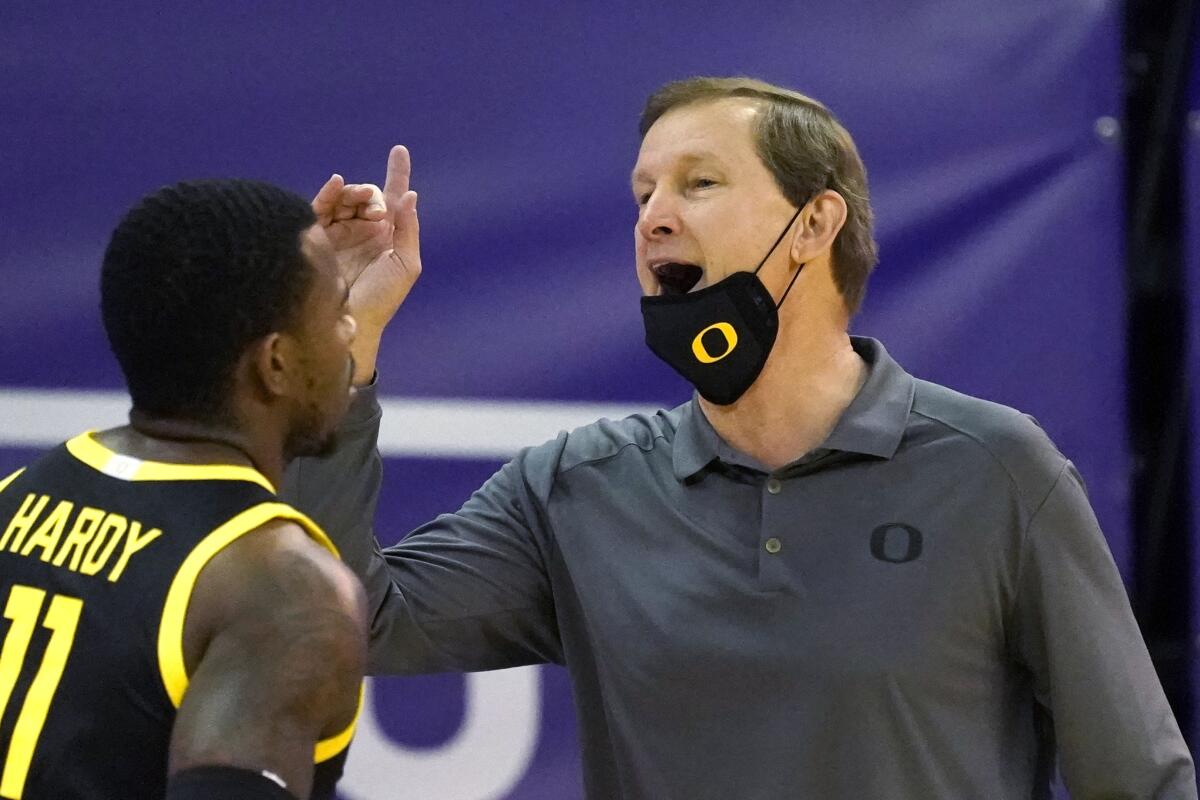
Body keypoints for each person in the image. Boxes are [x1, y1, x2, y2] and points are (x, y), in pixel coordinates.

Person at [299, 79, 1197, 798]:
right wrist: (342, 352)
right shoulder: (574, 488)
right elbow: (352, 621)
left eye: (699, 182)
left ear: (815, 224)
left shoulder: (996, 470)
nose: (653, 216)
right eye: (644, 192)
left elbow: (1139, 779)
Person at [0, 156, 420, 800]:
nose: (351, 330)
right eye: (337, 315)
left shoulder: (20, 497)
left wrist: (320, 304)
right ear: (275, 364)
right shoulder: (283, 591)